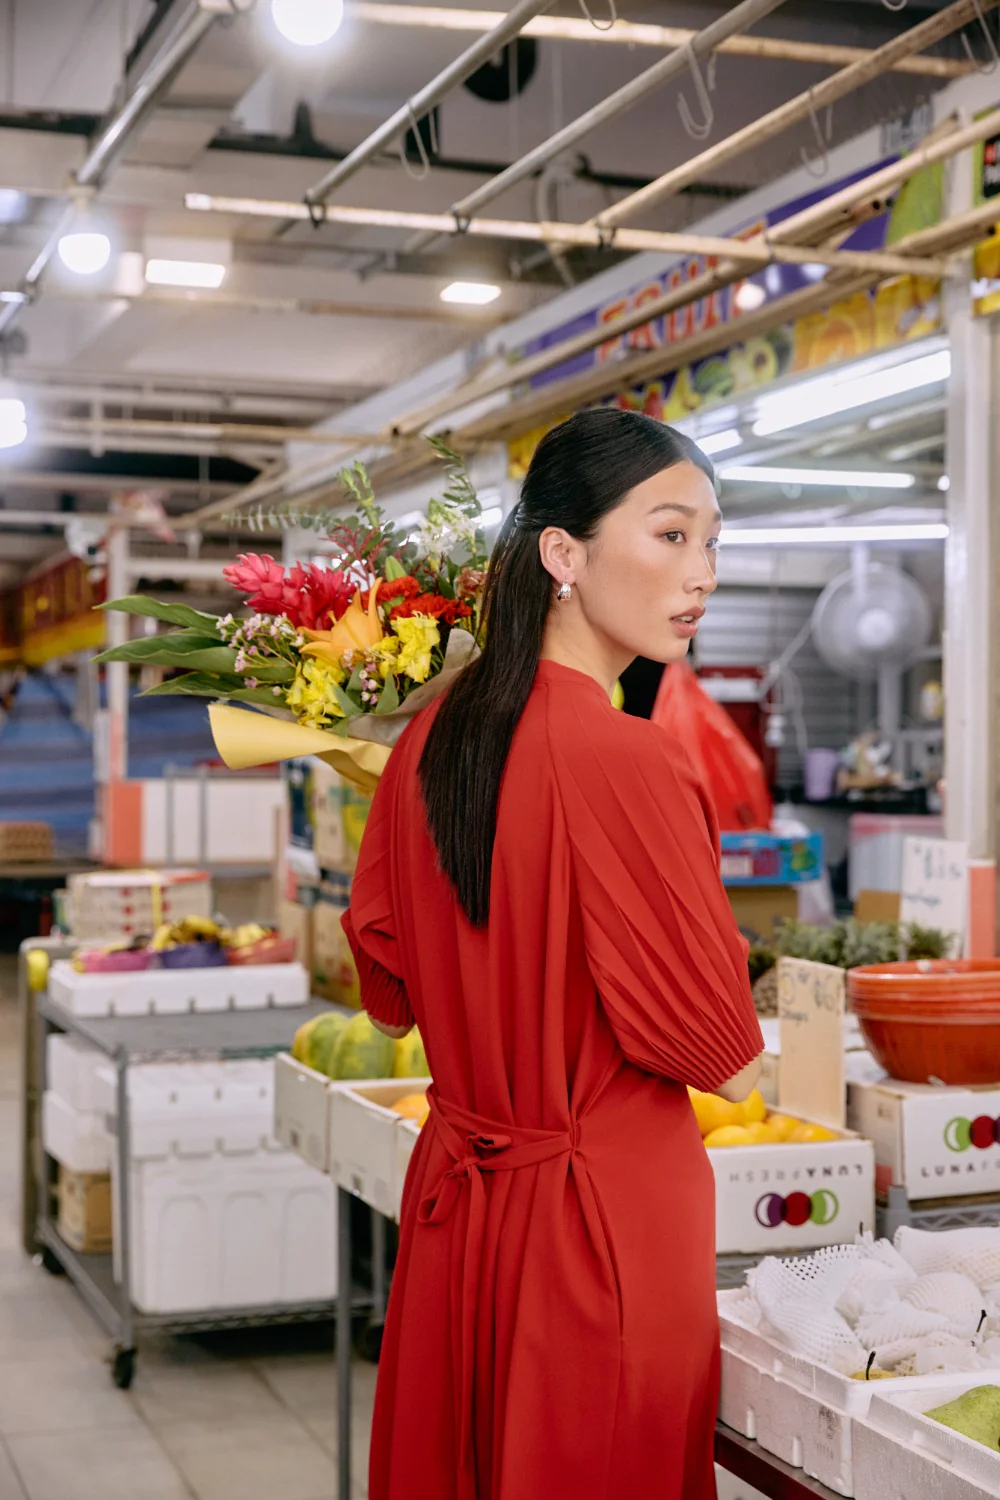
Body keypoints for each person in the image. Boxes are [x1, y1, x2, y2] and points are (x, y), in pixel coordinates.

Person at [343, 408, 764, 1500]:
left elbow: (387, 988)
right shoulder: (627, 759)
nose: (700, 572)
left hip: (460, 1212)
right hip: (600, 1231)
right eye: (669, 535)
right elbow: (715, 1046)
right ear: (562, 553)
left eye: (712, 541)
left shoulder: (426, 741)